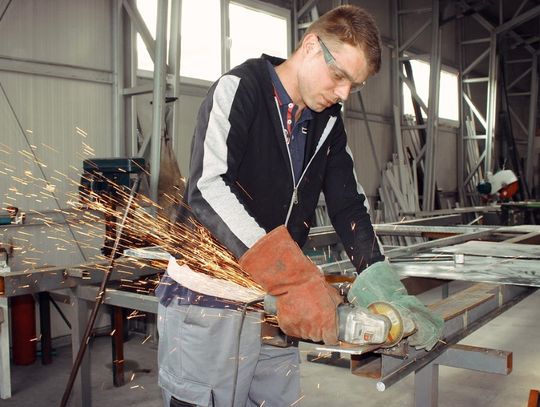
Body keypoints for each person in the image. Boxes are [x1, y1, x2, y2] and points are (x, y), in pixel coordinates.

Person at [156, 5, 442, 407]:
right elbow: (209, 188)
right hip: (210, 299)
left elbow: (348, 206)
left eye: (353, 86)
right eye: (339, 76)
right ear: (310, 46)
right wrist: (291, 278)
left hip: (275, 305)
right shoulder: (240, 89)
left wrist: (382, 282)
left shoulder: (327, 121)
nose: (343, 93)